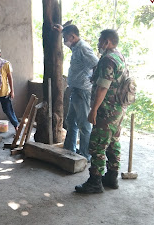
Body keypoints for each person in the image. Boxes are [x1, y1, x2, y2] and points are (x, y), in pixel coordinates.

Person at [75, 29, 127, 193]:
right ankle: (112, 177)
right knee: (113, 142)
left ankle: (95, 182)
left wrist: (93, 110)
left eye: (100, 40)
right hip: (118, 109)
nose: (98, 44)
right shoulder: (119, 56)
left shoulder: (107, 60)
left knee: (97, 145)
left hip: (107, 110)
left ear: (107, 42)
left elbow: (103, 87)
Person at [54, 24, 99, 160]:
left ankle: (85, 155)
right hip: (75, 90)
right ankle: (69, 150)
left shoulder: (83, 48)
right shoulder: (76, 47)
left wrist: (93, 80)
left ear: (73, 37)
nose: (64, 41)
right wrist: (63, 31)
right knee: (71, 121)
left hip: (83, 91)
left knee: (84, 125)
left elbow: (96, 64)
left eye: (66, 38)